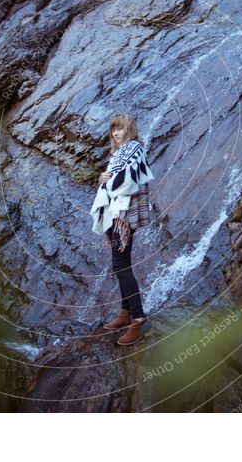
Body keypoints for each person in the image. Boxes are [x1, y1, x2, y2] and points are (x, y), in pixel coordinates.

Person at [89, 113, 155, 345]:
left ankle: (139, 321)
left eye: (120, 128)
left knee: (121, 267)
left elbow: (125, 182)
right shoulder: (119, 152)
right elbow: (111, 180)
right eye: (113, 129)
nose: (116, 133)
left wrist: (107, 181)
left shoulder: (134, 148)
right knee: (121, 265)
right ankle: (124, 313)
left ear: (130, 129)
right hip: (115, 214)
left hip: (124, 217)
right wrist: (102, 178)